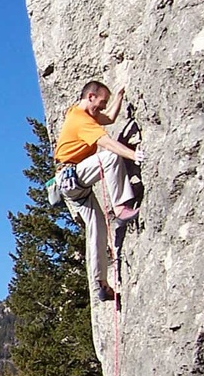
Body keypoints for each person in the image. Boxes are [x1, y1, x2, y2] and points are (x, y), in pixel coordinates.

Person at [54, 80, 145, 302]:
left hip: (72, 187)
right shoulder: (81, 120)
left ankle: (100, 284)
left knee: (97, 230)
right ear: (90, 97)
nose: (102, 107)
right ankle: (121, 206)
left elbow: (110, 119)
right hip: (72, 177)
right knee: (111, 157)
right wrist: (134, 155)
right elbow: (107, 143)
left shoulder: (83, 113)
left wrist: (119, 97)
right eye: (101, 102)